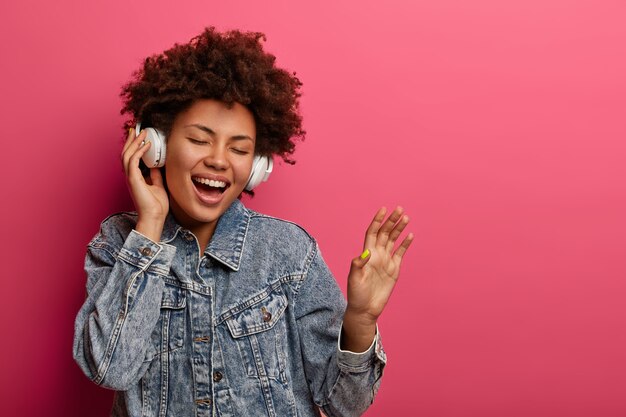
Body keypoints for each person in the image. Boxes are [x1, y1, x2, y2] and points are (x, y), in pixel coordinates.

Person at [73, 27, 413, 417]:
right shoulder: (117, 243)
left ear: (256, 168)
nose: (219, 160)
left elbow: (344, 405)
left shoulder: (288, 252)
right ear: (156, 146)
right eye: (200, 140)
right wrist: (150, 225)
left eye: (239, 149)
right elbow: (110, 369)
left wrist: (360, 320)